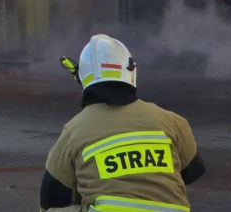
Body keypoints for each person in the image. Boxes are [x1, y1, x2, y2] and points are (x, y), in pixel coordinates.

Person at [41, 34, 205, 212]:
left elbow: (52, 196)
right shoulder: (170, 120)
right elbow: (193, 171)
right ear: (131, 71)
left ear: (84, 77)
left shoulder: (74, 130)